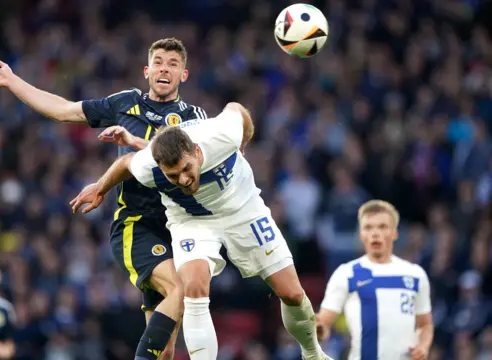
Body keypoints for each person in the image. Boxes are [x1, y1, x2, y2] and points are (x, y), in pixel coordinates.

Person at [0, 37, 209, 360]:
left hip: (178, 229)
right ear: (147, 71)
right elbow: (63, 111)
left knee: (166, 352)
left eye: (173, 64)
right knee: (181, 288)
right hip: (138, 227)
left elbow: (203, 165)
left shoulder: (195, 117)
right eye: (158, 62)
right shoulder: (124, 103)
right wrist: (13, 81)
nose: (164, 69)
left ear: (183, 75)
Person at [70, 103, 331, 360]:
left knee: (292, 294)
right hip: (191, 221)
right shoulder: (149, 166)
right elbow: (126, 163)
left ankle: (312, 353)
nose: (183, 179)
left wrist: (243, 143)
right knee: (193, 287)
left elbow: (237, 109)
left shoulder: (221, 135)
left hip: (243, 211)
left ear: (196, 151)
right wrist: (100, 187)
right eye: (173, 175)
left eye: (186, 169)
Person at [316, 200, 434, 360]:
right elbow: (324, 321)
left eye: (382, 227)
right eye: (368, 227)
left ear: (395, 233)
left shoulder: (415, 275)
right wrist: (316, 329)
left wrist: (422, 346)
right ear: (361, 234)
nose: (375, 234)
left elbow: (425, 324)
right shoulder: (346, 274)